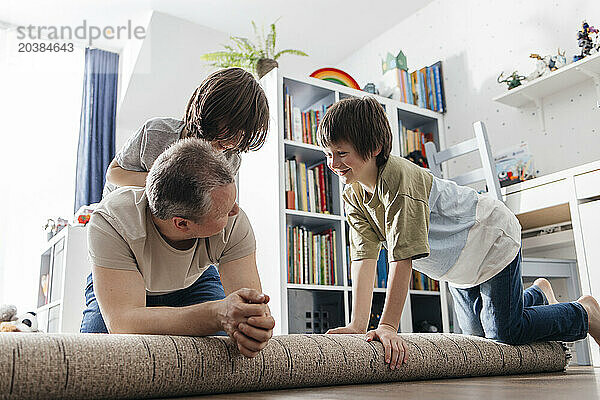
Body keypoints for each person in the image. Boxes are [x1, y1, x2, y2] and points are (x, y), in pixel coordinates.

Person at [318, 97, 600, 369]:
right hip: (458, 266)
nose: (333, 163)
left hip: (489, 239)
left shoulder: (398, 180)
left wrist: (389, 326)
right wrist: (357, 324)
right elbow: (364, 258)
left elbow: (401, 259)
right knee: (478, 340)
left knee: (504, 333)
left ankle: (584, 312)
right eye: (328, 154)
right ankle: (537, 294)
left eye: (342, 153)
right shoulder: (352, 194)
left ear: (376, 147)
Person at [81, 139, 275, 359]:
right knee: (95, 358)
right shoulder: (112, 220)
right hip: (121, 286)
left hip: (195, 282)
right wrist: (216, 314)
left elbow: (249, 309)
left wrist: (254, 326)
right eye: (222, 212)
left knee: (229, 352)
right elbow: (124, 322)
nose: (234, 212)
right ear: (181, 223)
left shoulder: (235, 221)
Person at [102, 67, 269, 197]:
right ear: (210, 112)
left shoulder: (230, 159)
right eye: (230, 129)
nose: (233, 142)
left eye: (242, 135)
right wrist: (166, 183)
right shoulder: (156, 133)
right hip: (122, 212)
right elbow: (113, 175)